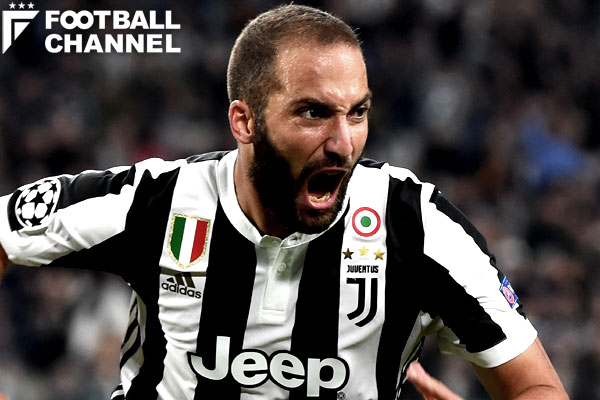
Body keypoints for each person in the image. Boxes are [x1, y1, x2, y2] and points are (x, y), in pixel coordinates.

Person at [0, 4, 568, 400]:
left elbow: (537, 388)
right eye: (313, 113)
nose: (343, 143)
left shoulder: (418, 228)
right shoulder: (158, 202)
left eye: (358, 112)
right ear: (244, 121)